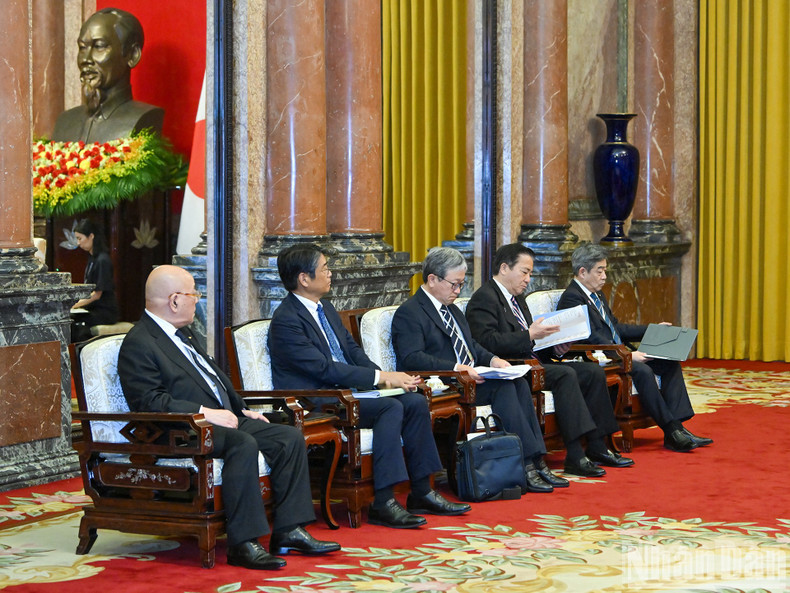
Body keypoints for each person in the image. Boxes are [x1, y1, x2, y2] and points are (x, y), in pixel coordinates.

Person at [117, 265, 340, 570]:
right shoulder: (140, 342)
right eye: (194, 294)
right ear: (174, 300)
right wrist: (206, 412)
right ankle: (243, 543)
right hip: (181, 429)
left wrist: (241, 408)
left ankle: (289, 530)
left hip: (221, 420)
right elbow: (149, 401)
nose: (197, 300)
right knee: (242, 443)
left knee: (287, 437)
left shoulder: (183, 333)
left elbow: (212, 379)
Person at [269, 244, 471, 529]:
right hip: (319, 399)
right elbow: (323, 369)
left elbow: (352, 351)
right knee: (389, 408)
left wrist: (386, 376)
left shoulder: (325, 308)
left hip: (348, 391)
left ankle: (423, 492)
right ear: (304, 278)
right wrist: (380, 379)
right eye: (325, 268)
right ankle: (384, 502)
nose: (330, 273)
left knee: (413, 401)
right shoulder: (287, 320)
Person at [391, 247, 566, 493]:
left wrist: (493, 360)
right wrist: (457, 368)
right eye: (454, 284)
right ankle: (524, 464)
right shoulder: (410, 312)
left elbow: (471, 345)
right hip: (445, 384)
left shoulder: (452, 309)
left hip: (470, 378)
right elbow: (412, 358)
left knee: (517, 381)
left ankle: (537, 461)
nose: (458, 291)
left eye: (461, 284)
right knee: (504, 388)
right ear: (432, 279)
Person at [465, 243, 634, 477]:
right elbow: (487, 342)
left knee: (591, 372)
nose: (528, 279)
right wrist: (530, 335)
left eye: (530, 273)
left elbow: (532, 341)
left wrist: (556, 349)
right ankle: (575, 454)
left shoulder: (517, 298)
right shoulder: (484, 299)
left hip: (534, 362)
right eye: (524, 272)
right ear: (504, 268)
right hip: (512, 368)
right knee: (566, 374)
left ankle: (598, 444)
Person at [557, 243, 713, 452]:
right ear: (582, 272)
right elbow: (590, 336)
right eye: (600, 271)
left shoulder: (596, 294)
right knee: (642, 370)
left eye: (605, 270)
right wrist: (627, 356)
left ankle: (678, 428)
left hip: (617, 352)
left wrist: (651, 329)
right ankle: (671, 430)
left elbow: (616, 327)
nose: (604, 276)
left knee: (669, 362)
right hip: (599, 357)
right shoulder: (572, 298)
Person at [52, 8, 164, 143]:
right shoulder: (64, 122)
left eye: (99, 46)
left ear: (132, 55)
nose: (85, 59)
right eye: (82, 48)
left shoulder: (144, 118)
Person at [71, 219, 120, 342]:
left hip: (104, 311)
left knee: (74, 322)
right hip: (93, 309)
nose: (78, 243)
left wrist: (75, 305)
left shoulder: (102, 260)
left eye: (80, 238)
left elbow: (97, 294)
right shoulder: (92, 258)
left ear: (91, 236)